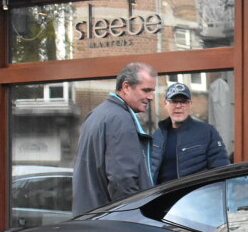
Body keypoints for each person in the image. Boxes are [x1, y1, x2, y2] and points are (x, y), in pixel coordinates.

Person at [72, 62, 156, 214]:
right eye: (146, 90)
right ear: (126, 87)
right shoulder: (120, 119)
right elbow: (122, 181)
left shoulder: (96, 114)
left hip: (90, 218)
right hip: (109, 223)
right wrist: (133, 217)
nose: (151, 97)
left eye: (152, 91)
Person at [149, 82, 231, 184]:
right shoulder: (157, 136)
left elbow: (221, 171)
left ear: (190, 104)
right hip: (164, 198)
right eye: (174, 101)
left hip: (197, 197)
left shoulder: (207, 132)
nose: (178, 106)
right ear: (165, 104)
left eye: (183, 101)